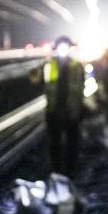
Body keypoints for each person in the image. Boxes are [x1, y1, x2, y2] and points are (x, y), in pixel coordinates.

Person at [42, 36, 87, 176]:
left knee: (72, 143)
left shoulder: (76, 66)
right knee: (54, 143)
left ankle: (70, 171)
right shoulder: (49, 65)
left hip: (71, 111)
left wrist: (77, 108)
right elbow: (44, 85)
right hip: (54, 110)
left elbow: (80, 88)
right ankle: (56, 171)